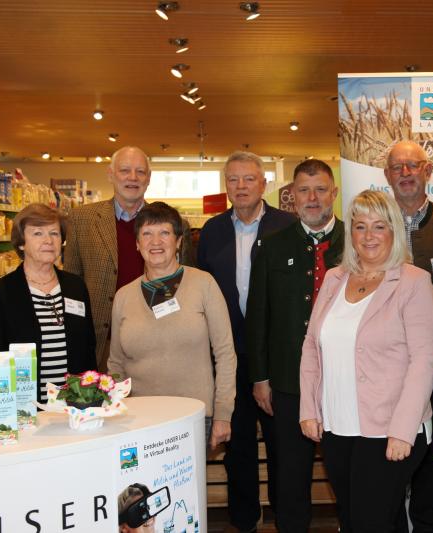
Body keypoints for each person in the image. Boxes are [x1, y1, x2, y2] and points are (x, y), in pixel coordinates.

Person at [299, 190, 433, 533]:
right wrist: (309, 409)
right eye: (360, 226)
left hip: (389, 430)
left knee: (368, 522)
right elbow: (311, 347)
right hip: (337, 425)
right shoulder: (335, 279)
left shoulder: (414, 281)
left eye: (379, 226)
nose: (368, 236)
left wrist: (402, 431)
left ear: (393, 231)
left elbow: (424, 361)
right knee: (361, 519)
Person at [197, 151, 295, 531]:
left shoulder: (288, 226)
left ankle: (286, 518)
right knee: (237, 449)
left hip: (276, 359)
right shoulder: (212, 231)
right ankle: (245, 520)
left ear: (263, 184)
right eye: (233, 180)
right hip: (230, 359)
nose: (240, 186)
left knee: (281, 446)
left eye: (248, 179)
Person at [247, 159, 344, 532]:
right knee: (289, 476)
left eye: (321, 189)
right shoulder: (273, 247)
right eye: (304, 190)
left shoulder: (356, 241)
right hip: (287, 382)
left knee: (346, 472)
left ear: (333, 193)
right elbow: (258, 315)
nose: (313, 198)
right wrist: (260, 376)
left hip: (343, 381)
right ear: (292, 197)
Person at [107, 202, 236, 449]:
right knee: (143, 487)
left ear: (178, 241)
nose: (156, 242)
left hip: (195, 416)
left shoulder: (203, 284)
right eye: (147, 234)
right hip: (139, 418)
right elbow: (116, 363)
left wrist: (223, 414)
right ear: (137, 243)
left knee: (188, 486)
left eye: (164, 233)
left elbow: (225, 354)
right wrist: (115, 413)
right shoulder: (123, 296)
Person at [384, 140, 433, 533]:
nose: (406, 173)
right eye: (398, 167)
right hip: (387, 367)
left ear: (428, 171)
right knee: (389, 453)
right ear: (387, 175)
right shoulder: (373, 224)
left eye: (414, 165)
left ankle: (429, 526)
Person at [0, 203, 96, 401]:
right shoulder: (2, 293)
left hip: (73, 406)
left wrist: (90, 398)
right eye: (38, 233)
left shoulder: (75, 287)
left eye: (55, 233)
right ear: (21, 242)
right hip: (23, 409)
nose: (48, 240)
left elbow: (87, 348)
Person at [64, 146, 150, 371]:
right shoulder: (81, 219)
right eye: (125, 170)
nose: (133, 178)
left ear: (149, 178)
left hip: (154, 342)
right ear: (111, 174)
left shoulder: (167, 220)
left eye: (140, 172)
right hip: (102, 341)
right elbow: (72, 283)